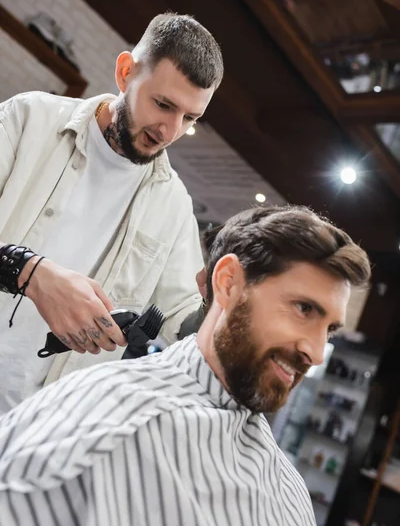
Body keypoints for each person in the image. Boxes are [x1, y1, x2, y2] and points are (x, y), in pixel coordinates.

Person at [0, 205, 371, 526]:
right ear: (227, 284)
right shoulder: (100, 426)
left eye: (330, 330)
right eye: (303, 309)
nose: (317, 353)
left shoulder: (289, 489)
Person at [0, 12, 223, 414]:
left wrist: (223, 309)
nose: (170, 131)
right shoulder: (28, 120)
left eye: (189, 118)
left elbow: (184, 324)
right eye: (163, 104)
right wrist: (28, 271)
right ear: (125, 73)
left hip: (32, 432)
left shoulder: (172, 205)